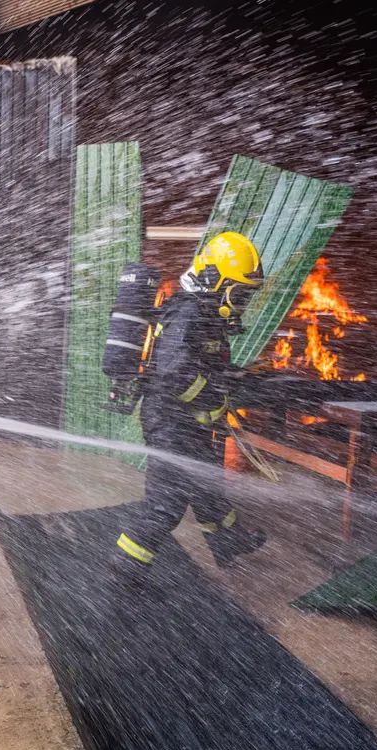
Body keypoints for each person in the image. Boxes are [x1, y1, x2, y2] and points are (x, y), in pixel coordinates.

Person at [107, 231, 267, 578]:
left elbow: (201, 363)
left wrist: (232, 378)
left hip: (192, 422)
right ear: (214, 279)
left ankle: (228, 543)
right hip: (171, 424)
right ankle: (127, 564)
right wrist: (213, 396)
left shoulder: (205, 312)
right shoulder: (189, 314)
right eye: (239, 293)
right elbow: (172, 375)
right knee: (167, 503)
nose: (242, 302)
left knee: (207, 486)